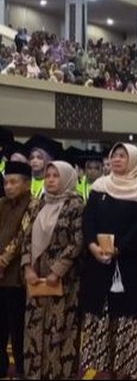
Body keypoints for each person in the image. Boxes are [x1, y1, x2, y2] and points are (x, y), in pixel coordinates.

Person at [80, 143, 137, 379]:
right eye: (114, 155)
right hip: (99, 263)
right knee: (103, 318)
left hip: (131, 265)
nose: (116, 159)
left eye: (122, 155)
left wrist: (119, 249)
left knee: (129, 319)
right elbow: (88, 220)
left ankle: (128, 369)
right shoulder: (100, 186)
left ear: (134, 160)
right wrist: (93, 246)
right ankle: (105, 369)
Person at [20, 161, 84, 379]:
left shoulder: (75, 205)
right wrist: (28, 267)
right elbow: (26, 238)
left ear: (66, 178)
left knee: (60, 330)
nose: (50, 180)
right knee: (35, 329)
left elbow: (77, 242)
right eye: (47, 176)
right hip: (36, 277)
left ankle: (58, 374)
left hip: (64, 280)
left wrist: (57, 271)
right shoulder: (38, 205)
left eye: (56, 176)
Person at [0, 162, 33, 379]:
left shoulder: (33, 204)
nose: (8, 187)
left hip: (17, 277)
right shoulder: (1, 203)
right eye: (5, 182)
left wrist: (2, 261)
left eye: (14, 182)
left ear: (27, 183)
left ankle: (22, 369)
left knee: (18, 327)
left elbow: (22, 236)